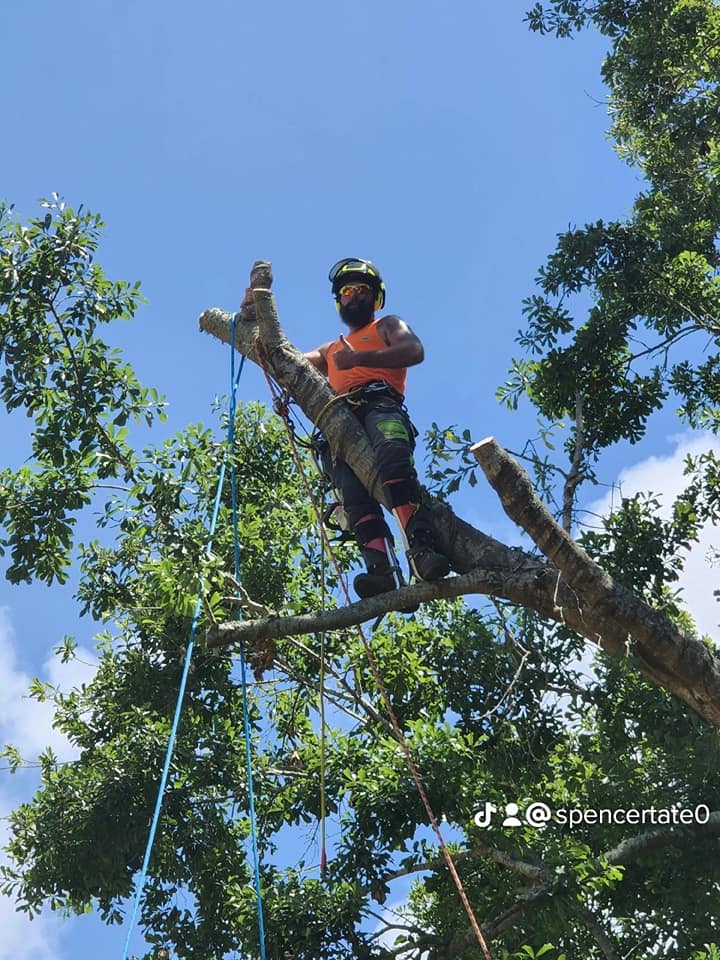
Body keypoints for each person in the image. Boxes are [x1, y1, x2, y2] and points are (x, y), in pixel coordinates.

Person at [304, 257, 450, 599]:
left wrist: (359, 359)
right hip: (341, 420)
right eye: (346, 292)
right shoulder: (330, 349)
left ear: (375, 297)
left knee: (393, 461)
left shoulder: (387, 325)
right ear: (338, 301)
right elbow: (286, 359)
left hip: (379, 403)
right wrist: (252, 312)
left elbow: (413, 350)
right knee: (352, 494)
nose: (353, 296)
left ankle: (422, 549)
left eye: (361, 290)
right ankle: (380, 569)